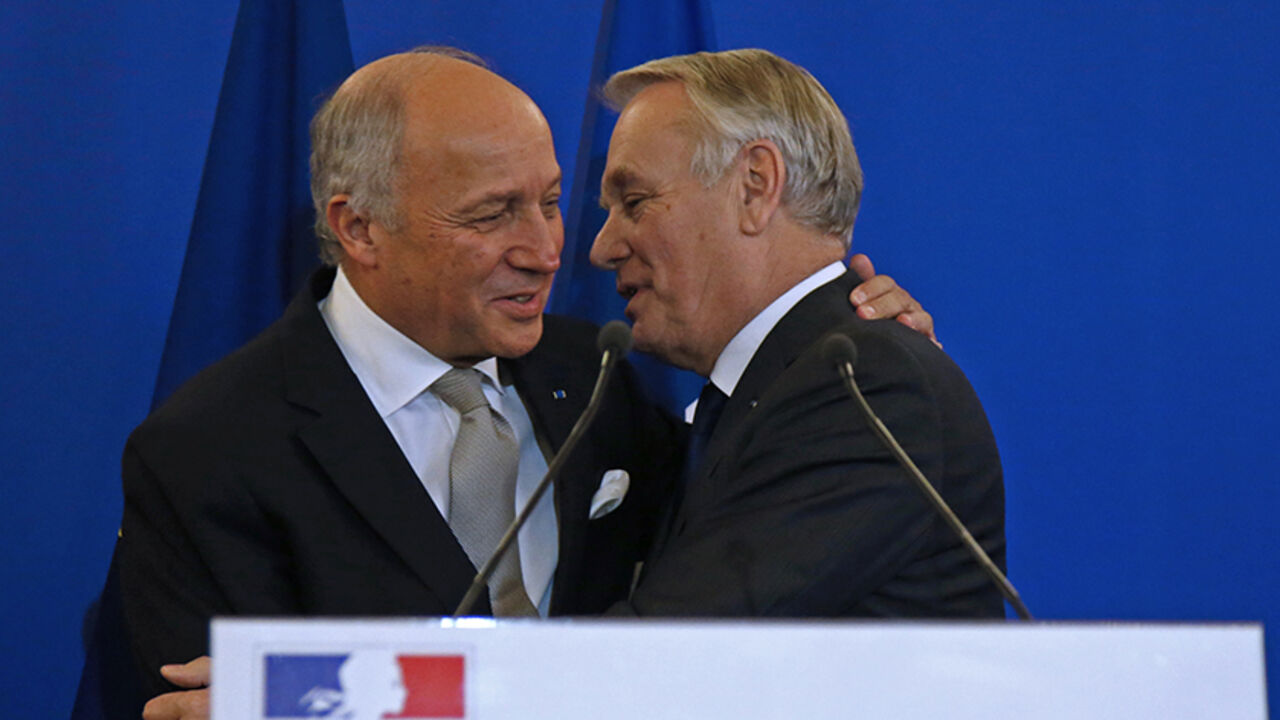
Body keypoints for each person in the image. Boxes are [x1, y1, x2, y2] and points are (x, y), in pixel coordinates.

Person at [121, 47, 933, 720]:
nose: (549, 249)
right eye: (492, 213)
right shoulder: (209, 452)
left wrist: (318, 695)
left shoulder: (603, 382)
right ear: (358, 227)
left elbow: (667, 650)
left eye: (549, 202)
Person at [590, 49, 1006, 617]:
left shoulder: (863, 388)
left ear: (755, 187)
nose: (602, 247)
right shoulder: (756, 398)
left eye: (635, 202)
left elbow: (678, 647)